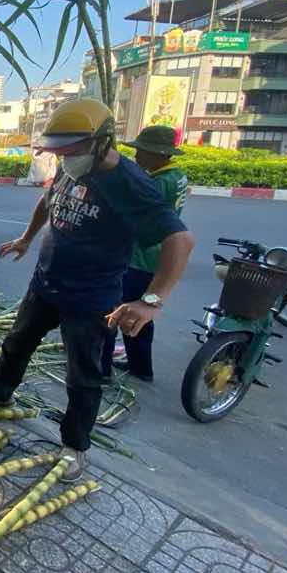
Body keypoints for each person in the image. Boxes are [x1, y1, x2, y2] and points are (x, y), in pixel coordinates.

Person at [0, 99, 194, 482]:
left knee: (84, 376)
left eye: (70, 151)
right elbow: (49, 201)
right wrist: (27, 239)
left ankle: (75, 447)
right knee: (16, 343)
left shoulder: (131, 184)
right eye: (59, 152)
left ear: (101, 142)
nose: (64, 159)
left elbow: (181, 240)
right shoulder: (70, 167)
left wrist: (151, 301)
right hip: (45, 283)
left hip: (91, 298)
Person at [102, 125, 189, 383]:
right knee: (141, 312)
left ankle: (101, 367)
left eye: (142, 152)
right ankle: (140, 366)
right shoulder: (177, 176)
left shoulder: (157, 183)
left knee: (113, 311)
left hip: (139, 259)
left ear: (159, 154)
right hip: (156, 260)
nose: (138, 157)